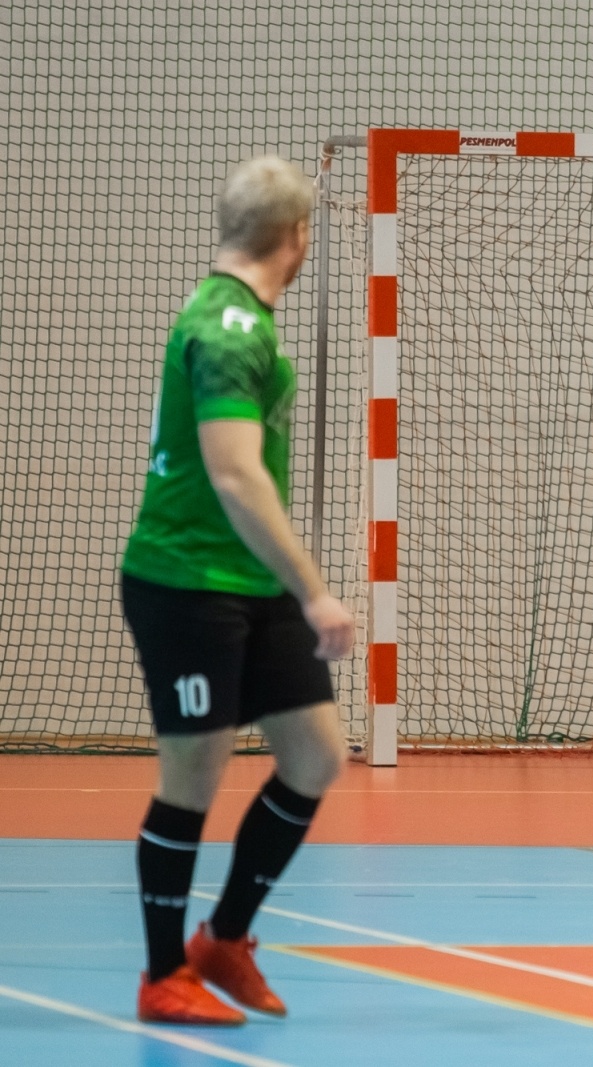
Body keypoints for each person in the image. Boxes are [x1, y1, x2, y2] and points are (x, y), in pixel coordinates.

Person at [120, 156, 355, 1025]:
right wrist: (316, 592)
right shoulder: (225, 327)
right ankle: (160, 972)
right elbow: (233, 474)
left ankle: (224, 937)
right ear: (295, 238)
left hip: (249, 580)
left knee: (314, 754)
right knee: (195, 772)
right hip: (186, 581)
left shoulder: (247, 317)